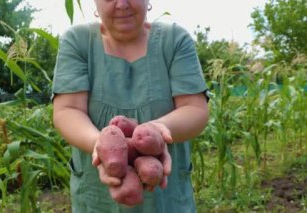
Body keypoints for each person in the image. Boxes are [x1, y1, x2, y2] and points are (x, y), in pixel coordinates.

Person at [52, 0, 209, 212]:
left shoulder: (175, 40)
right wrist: (101, 146)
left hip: (167, 198)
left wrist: (159, 130)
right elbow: (67, 111)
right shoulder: (78, 41)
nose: (121, 4)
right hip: (96, 195)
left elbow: (195, 109)